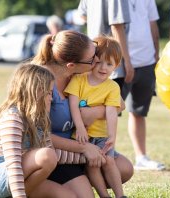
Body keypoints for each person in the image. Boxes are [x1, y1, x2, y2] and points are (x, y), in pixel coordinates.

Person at [31, 30, 133, 198]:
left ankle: (78, 178)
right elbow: (39, 134)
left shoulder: (77, 74)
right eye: (93, 60)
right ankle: (46, 185)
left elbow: (120, 105)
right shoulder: (42, 82)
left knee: (124, 168)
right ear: (72, 64)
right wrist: (85, 147)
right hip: (52, 153)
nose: (97, 63)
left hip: (77, 147)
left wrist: (95, 112)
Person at [0, 63, 58, 197]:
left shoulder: (39, 119)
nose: (51, 98)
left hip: (17, 175)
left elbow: (54, 153)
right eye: (49, 93)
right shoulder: (13, 118)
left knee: (67, 194)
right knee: (47, 156)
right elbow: (14, 164)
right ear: (36, 92)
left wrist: (88, 156)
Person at [65, 36, 126, 198]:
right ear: (92, 61)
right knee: (92, 165)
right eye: (99, 62)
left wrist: (112, 136)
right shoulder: (79, 79)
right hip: (81, 136)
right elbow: (73, 106)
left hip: (101, 135)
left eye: (109, 64)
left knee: (109, 161)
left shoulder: (112, 87)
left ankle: (121, 196)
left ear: (116, 66)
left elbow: (112, 111)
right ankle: (103, 195)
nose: (103, 68)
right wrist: (79, 128)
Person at [125, 0, 164, 171]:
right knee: (106, 112)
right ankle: (105, 154)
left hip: (146, 61)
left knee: (139, 112)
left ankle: (141, 157)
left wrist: (156, 54)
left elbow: (152, 23)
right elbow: (84, 15)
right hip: (117, 62)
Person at [78, 0, 134, 89]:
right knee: (113, 100)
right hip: (111, 59)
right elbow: (117, 26)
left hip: (93, 55)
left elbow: (82, 14)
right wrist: (127, 61)